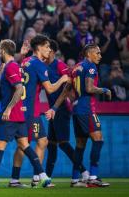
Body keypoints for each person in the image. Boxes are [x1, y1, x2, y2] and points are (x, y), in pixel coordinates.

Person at [0, 39, 51, 188]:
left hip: (10, 115)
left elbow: (19, 88)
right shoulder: (16, 66)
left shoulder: (11, 66)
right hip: (21, 115)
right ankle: (42, 176)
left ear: (3, 51)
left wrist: (8, 108)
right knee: (25, 145)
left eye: (0, 50)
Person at [12, 34, 69, 187]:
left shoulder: (25, 61)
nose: (50, 50)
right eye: (47, 47)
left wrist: (23, 54)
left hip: (23, 108)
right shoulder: (39, 64)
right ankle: (38, 176)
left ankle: (18, 179)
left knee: (28, 144)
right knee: (35, 142)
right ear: (39, 48)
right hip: (31, 110)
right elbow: (50, 89)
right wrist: (63, 79)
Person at [44, 40, 90, 187]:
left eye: (46, 48)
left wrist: (57, 108)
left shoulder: (60, 66)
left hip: (61, 110)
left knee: (63, 144)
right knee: (51, 145)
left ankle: (84, 173)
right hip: (53, 110)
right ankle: (47, 179)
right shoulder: (44, 65)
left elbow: (68, 88)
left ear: (51, 50)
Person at [71, 44, 111, 187]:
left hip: (76, 109)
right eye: (97, 53)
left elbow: (68, 89)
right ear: (89, 53)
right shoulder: (91, 67)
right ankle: (93, 176)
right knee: (98, 140)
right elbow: (89, 88)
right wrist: (104, 89)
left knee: (80, 145)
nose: (100, 56)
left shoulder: (76, 67)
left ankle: (75, 179)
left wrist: (56, 107)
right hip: (87, 109)